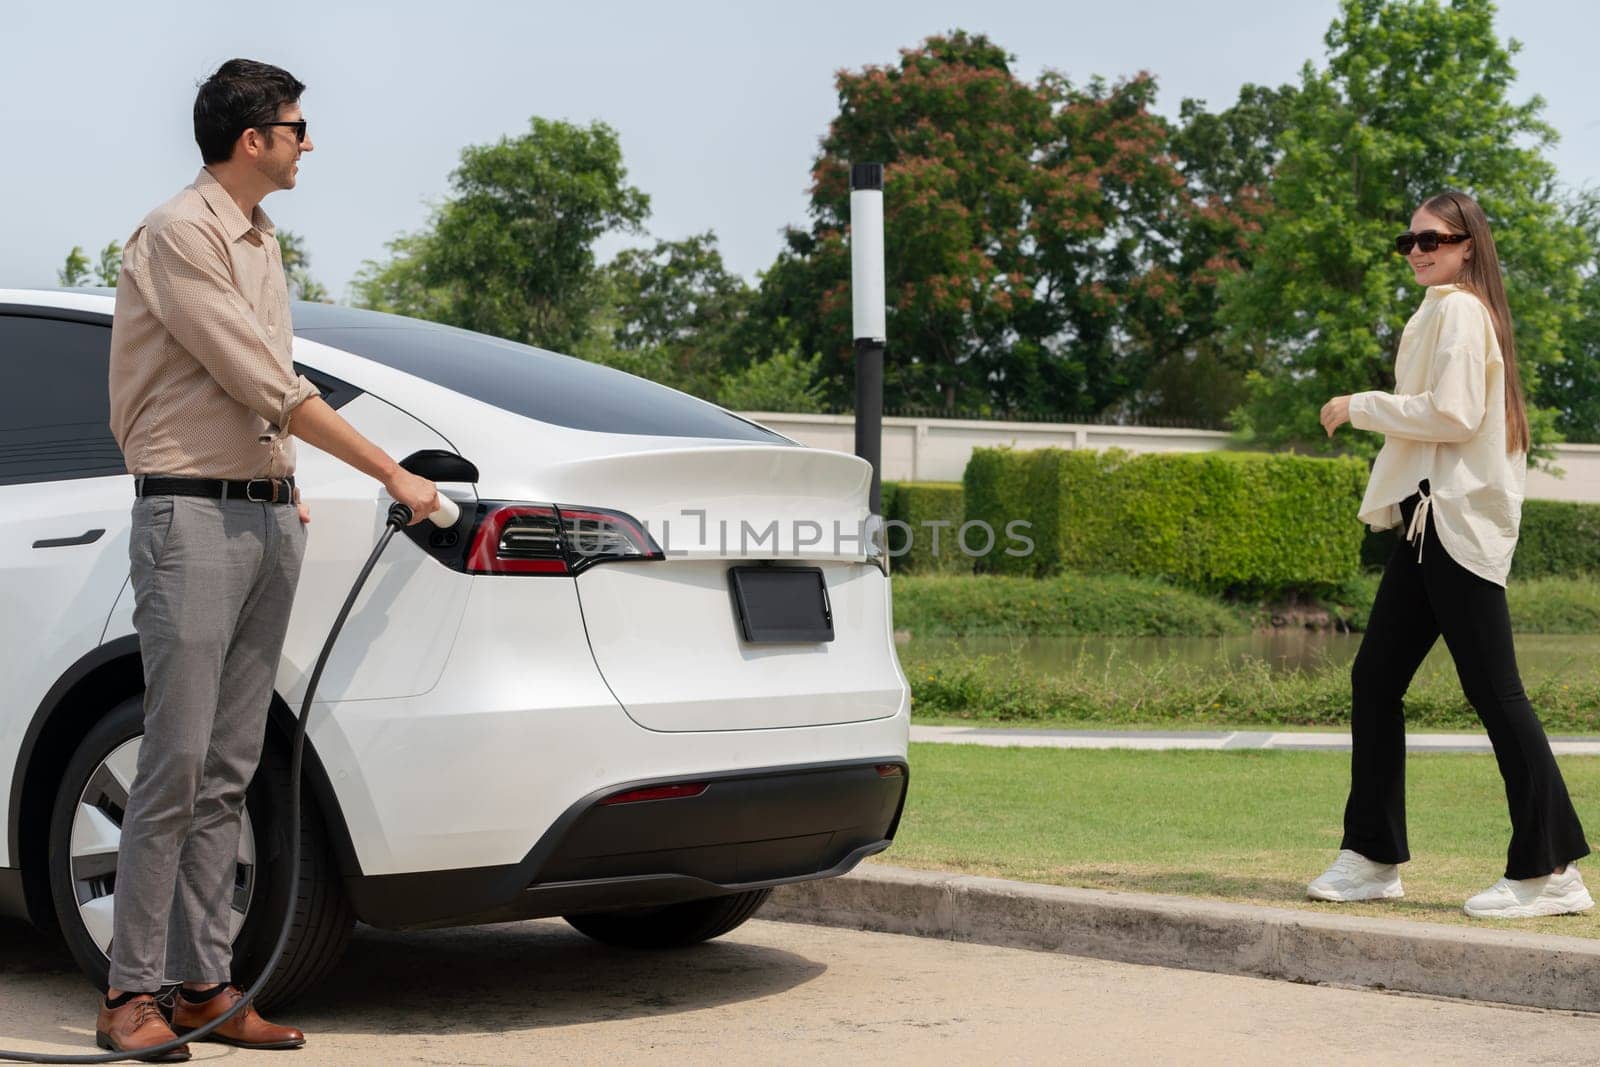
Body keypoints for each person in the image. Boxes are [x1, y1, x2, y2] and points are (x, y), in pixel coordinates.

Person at [101, 59, 440, 1059]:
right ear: (253, 140)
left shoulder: (261, 238)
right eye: (297, 127)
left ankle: (205, 983)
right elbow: (259, 376)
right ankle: (130, 992)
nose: (307, 141)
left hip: (257, 515)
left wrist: (281, 479)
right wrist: (393, 473)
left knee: (228, 769)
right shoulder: (179, 234)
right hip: (190, 520)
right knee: (173, 759)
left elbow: (262, 397)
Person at [1308, 190, 1592, 920]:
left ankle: (1552, 869)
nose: (1417, 250)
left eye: (1432, 239)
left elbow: (1456, 414)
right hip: (1426, 520)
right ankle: (1372, 857)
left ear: (1468, 246)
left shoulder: (1461, 311)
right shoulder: (1442, 310)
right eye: (1408, 241)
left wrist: (1360, 405)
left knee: (1496, 693)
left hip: (1452, 520)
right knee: (1376, 678)